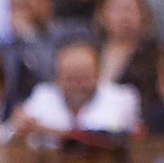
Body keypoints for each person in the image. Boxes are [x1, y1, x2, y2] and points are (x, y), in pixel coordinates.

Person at [9, 39, 141, 137]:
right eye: (70, 78)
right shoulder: (42, 96)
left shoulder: (122, 97)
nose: (78, 85)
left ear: (98, 75)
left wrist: (43, 130)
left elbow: (102, 138)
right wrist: (19, 125)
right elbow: (7, 134)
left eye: (84, 77)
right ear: (57, 79)